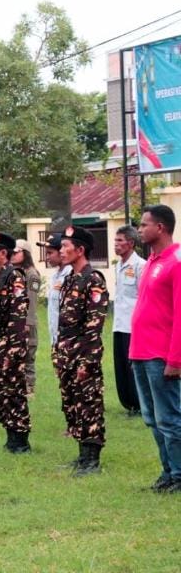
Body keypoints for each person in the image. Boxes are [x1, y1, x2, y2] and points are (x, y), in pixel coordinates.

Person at [130, 205, 181, 492]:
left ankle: (179, 474)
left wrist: (175, 359)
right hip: (141, 352)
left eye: (143, 224)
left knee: (170, 419)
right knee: (152, 419)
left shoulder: (176, 261)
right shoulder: (152, 261)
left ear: (160, 227)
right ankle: (168, 472)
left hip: (161, 355)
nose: (139, 229)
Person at [56, 225, 109, 476]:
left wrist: (86, 362)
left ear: (80, 250)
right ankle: (82, 455)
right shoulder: (69, 279)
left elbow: (94, 326)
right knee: (72, 404)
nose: (62, 250)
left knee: (89, 404)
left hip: (83, 353)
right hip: (66, 352)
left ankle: (92, 460)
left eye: (67, 247)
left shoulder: (93, 280)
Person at [0, 231, 32, 454]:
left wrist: (12, 351)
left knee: (13, 393)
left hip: (8, 345)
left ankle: (20, 439)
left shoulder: (14, 277)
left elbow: (18, 317)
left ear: (3, 253)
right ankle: (10, 434)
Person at [113, 225, 146, 415]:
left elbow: (143, 297)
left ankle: (138, 404)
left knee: (133, 367)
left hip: (133, 326)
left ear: (131, 243)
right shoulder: (118, 266)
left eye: (120, 241)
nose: (116, 245)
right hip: (118, 324)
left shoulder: (140, 266)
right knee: (121, 366)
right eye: (115, 241)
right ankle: (127, 402)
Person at [11, 239, 42, 397]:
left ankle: (29, 386)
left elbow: (32, 300)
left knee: (28, 353)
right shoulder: (15, 273)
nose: (13, 255)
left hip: (26, 322)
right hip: (14, 321)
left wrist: (28, 322)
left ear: (26, 254)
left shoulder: (32, 275)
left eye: (17, 252)